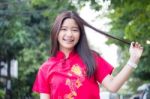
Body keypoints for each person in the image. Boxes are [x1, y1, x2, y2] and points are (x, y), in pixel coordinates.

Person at [32, 11, 143, 99]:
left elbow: (113, 86)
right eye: (64, 29)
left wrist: (133, 60)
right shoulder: (45, 69)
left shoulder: (91, 58)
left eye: (75, 30)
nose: (69, 34)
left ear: (80, 34)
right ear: (56, 32)